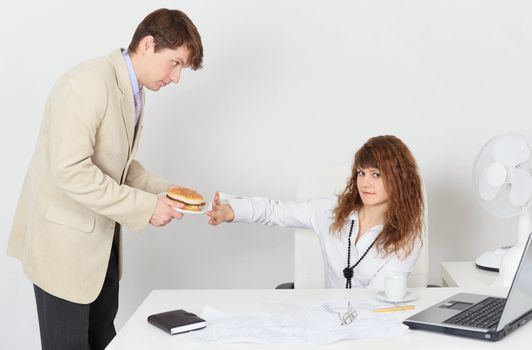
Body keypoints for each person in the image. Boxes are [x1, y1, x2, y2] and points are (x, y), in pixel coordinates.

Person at [7, 8, 203, 350]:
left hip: (101, 253)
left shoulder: (134, 90)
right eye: (174, 63)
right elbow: (71, 170)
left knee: (104, 343)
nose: (176, 78)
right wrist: (146, 208)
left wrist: (168, 192)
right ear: (146, 44)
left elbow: (118, 165)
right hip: (64, 255)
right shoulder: (88, 84)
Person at [207, 135, 424, 289]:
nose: (365, 183)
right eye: (361, 173)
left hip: (373, 329)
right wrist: (232, 210)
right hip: (326, 321)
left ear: (399, 179)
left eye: (376, 174)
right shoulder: (333, 211)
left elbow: (377, 300)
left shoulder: (406, 238)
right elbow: (277, 212)